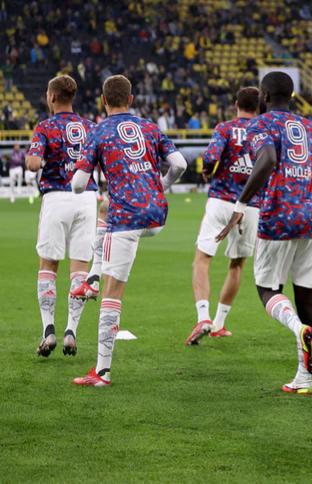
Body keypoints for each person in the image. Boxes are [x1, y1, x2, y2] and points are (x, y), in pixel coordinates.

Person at [71, 75, 187, 386]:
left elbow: (79, 184)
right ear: (131, 99)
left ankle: (102, 372)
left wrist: (79, 181)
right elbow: (179, 164)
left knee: (113, 293)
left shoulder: (98, 131)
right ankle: (93, 278)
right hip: (157, 215)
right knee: (106, 209)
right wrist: (161, 185)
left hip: (127, 219)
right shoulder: (150, 127)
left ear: (103, 101)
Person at [217, 72, 312, 395]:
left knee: (267, 288)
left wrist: (241, 202)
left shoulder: (260, 125)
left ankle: (297, 329)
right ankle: (304, 379)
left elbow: (267, 159)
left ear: (264, 96)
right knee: (307, 296)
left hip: (278, 216)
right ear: (291, 96)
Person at [25, 75, 97, 357]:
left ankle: (48, 330)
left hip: (56, 196)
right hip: (86, 198)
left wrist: (39, 159)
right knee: (79, 267)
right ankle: (71, 332)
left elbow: (33, 163)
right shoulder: (90, 126)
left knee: (48, 263)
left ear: (52, 97)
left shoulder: (45, 127)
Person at [184, 87, 260, 344]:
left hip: (221, 201)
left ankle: (203, 317)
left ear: (236, 103)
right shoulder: (266, 131)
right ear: (258, 107)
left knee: (202, 259)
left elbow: (212, 156)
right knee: (237, 265)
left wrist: (207, 170)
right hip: (250, 206)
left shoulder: (226, 128)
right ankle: (219, 323)